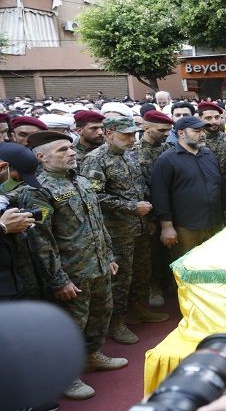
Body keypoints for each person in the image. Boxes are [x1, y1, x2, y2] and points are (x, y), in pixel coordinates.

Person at [21, 131, 127, 400]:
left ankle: (92, 355)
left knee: (101, 313)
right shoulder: (38, 191)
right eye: (62, 150)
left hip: (98, 265)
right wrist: (59, 280)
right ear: (41, 157)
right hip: (71, 272)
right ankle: (64, 374)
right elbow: (41, 242)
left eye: (71, 148)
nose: (71, 153)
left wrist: (109, 256)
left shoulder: (81, 181)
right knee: (69, 326)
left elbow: (97, 224)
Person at [80, 117, 168, 345]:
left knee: (141, 270)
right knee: (120, 278)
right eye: (126, 135)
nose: (132, 139)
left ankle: (139, 309)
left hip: (139, 225)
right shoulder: (95, 160)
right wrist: (131, 207)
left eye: (133, 134)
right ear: (109, 134)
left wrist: (147, 216)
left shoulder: (130, 153)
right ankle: (117, 322)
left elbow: (139, 187)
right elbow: (94, 197)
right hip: (115, 231)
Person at [151, 116, 226, 259]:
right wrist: (167, 226)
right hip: (186, 227)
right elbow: (160, 195)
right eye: (196, 131)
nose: (202, 134)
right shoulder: (167, 159)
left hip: (214, 223)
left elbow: (221, 186)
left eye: (202, 131)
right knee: (186, 267)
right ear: (181, 134)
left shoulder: (209, 155)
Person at [133, 111, 174, 309]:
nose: (166, 134)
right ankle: (154, 286)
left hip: (169, 208)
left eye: (169, 130)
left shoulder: (169, 148)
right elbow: (136, 187)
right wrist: (149, 218)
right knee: (151, 254)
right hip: (146, 213)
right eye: (162, 130)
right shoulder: (133, 151)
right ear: (145, 127)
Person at [0, 143, 40, 300]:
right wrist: (3, 227)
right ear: (3, 167)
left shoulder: (4, 198)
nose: (19, 185)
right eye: (17, 179)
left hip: (11, 283)